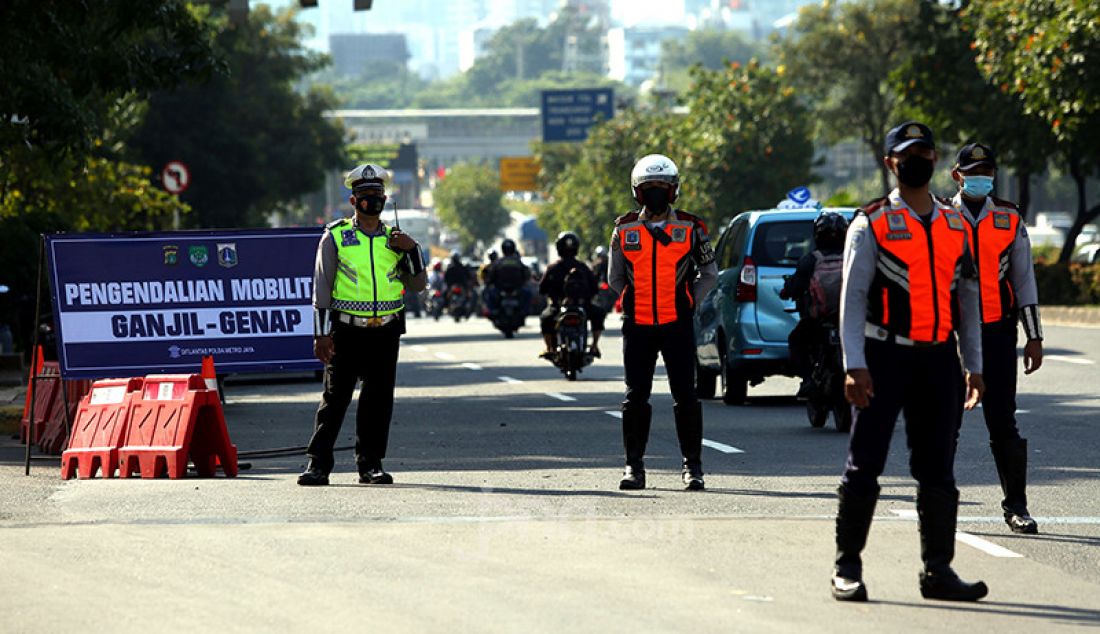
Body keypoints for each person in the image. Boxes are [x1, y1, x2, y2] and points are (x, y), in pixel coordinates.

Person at [832, 122, 987, 602]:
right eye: (906, 154)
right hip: (882, 357)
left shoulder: (956, 224)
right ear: (889, 164)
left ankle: (937, 571)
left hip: (938, 359)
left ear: (936, 160)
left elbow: (969, 297)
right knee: (866, 466)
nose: (915, 160)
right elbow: (852, 299)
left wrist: (973, 364)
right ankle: (847, 568)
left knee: (937, 469)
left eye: (923, 152)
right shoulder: (871, 221)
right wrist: (853, 363)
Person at [298, 163, 426, 487]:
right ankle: (318, 464)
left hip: (385, 330)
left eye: (378, 194)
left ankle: (371, 465)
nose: (373, 200)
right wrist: (322, 334)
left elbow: (418, 285)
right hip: (346, 331)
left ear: (385, 199)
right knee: (335, 398)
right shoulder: (336, 236)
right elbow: (322, 288)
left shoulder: (395, 240)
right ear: (354, 201)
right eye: (366, 195)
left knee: (378, 400)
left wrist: (413, 251)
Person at [607, 154, 717, 491]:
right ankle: (633, 467)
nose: (655, 193)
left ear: (673, 191)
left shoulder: (691, 228)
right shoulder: (623, 229)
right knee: (635, 396)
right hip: (637, 324)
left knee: (686, 396)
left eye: (662, 187)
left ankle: (692, 468)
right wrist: (637, 298)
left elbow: (708, 273)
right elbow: (615, 278)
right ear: (637, 193)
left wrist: (688, 302)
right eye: (649, 188)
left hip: (677, 323)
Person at [950, 142, 1043, 534]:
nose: (980, 178)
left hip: (998, 333)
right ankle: (938, 505)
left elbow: (1024, 279)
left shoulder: (1008, 217)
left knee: (1003, 421)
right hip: (949, 338)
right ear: (957, 176)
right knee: (942, 423)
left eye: (986, 171)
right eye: (973, 172)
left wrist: (1034, 337)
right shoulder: (940, 217)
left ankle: (1016, 507)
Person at [780, 212, 849, 397]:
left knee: (796, 341)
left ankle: (808, 380)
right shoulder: (854, 257)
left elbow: (794, 287)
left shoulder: (810, 260)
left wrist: (786, 291)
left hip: (819, 320)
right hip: (850, 320)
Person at [538, 232, 605, 357]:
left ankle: (549, 348)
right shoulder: (583, 267)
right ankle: (595, 345)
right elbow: (595, 288)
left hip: (558, 308)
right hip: (583, 306)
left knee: (545, 318)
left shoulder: (552, 268)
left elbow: (542, 289)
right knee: (599, 313)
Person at [484, 239, 531, 316]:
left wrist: (489, 282)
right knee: (528, 293)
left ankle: (492, 310)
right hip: (513, 288)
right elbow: (527, 274)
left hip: (502, 288)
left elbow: (491, 276)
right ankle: (524, 311)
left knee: (489, 294)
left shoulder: (498, 262)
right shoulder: (518, 262)